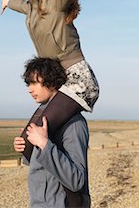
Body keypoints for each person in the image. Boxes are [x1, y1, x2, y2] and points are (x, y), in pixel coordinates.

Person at [1, 0, 122, 134]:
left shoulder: (58, 2)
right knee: (24, 142)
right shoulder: (31, 8)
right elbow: (19, 4)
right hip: (54, 83)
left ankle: (70, 166)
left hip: (77, 81)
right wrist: (7, 1)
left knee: (36, 135)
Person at [14, 57, 90, 208]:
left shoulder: (74, 124)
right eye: (28, 84)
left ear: (52, 81)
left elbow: (77, 181)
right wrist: (26, 147)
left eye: (34, 82)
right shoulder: (44, 118)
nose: (30, 89)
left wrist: (43, 144)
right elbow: (44, 170)